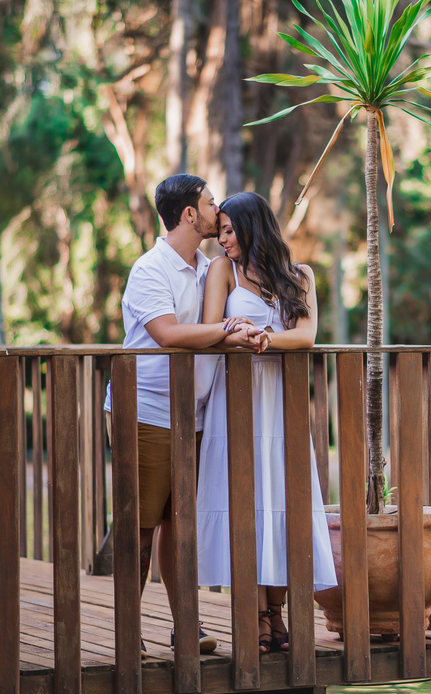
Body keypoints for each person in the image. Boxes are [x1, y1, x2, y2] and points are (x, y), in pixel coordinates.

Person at [103, 174, 266, 656]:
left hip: (194, 414)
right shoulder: (149, 269)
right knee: (140, 524)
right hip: (146, 410)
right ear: (190, 214)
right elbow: (169, 335)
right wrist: (228, 331)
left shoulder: (212, 267)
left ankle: (186, 627)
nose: (219, 210)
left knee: (181, 523)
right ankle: (127, 632)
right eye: (211, 203)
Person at [194, 191, 338, 653]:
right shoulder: (222, 271)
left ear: (253, 226)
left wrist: (265, 339)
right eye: (220, 232)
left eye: (229, 231)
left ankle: (277, 613)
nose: (223, 240)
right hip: (236, 400)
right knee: (245, 503)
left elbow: (307, 336)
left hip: (280, 401)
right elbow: (210, 332)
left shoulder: (300, 275)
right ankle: (254, 614)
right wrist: (236, 333)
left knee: (281, 502)